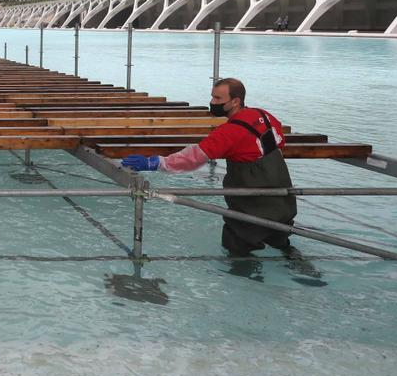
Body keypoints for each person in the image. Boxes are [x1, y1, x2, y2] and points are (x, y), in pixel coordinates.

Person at [120, 78, 299, 257]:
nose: (212, 103)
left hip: (253, 205)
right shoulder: (265, 116)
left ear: (235, 101)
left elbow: (193, 158)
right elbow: (279, 142)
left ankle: (245, 282)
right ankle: (303, 270)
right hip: (283, 200)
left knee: (238, 249)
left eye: (218, 99)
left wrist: (156, 163)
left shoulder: (229, 132)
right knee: (280, 242)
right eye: (212, 97)